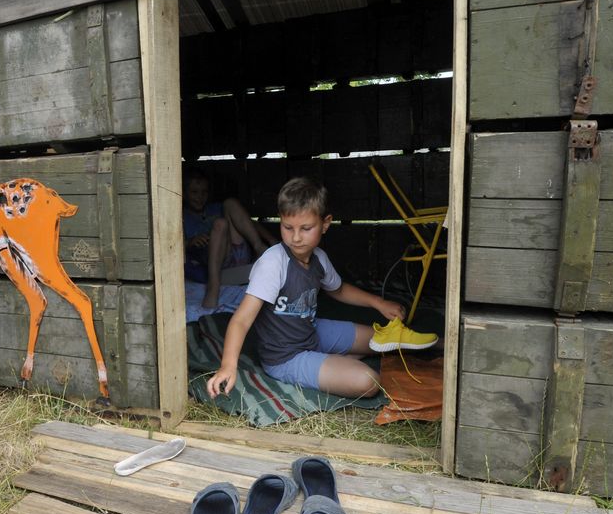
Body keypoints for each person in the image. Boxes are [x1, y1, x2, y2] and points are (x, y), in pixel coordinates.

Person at [206, 177, 437, 400]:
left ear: (325, 224)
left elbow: (338, 290)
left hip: (312, 332)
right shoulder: (272, 263)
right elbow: (241, 320)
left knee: (383, 339)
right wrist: (228, 366)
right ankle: (333, 361)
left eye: (306, 228)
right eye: (288, 227)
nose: (296, 237)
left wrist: (379, 303)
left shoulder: (319, 258)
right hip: (286, 357)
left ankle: (438, 344)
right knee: (367, 381)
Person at [183, 169, 276, 309]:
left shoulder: (215, 208)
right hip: (217, 261)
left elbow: (249, 223)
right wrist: (190, 242)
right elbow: (171, 245)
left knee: (230, 203)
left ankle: (260, 247)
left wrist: (272, 241)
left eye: (204, 192)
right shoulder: (183, 217)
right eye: (194, 192)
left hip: (238, 251)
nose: (200, 197)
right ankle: (213, 287)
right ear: (184, 194)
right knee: (220, 224)